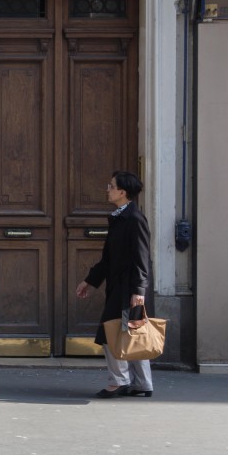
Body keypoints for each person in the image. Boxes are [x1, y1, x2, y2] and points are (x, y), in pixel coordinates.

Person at [76, 170, 154, 399]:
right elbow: (108, 258)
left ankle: (119, 381)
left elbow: (142, 258)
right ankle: (143, 383)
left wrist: (139, 291)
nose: (107, 190)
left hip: (128, 288)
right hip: (120, 286)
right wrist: (90, 281)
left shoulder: (134, 219)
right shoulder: (120, 218)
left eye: (111, 186)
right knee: (131, 332)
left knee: (113, 333)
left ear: (122, 192)